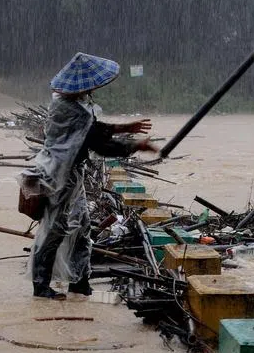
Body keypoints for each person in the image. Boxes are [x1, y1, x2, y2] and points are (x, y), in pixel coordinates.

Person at [20, 52, 156, 300]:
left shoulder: (65, 104)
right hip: (59, 177)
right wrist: (135, 145)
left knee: (81, 227)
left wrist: (125, 128)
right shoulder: (72, 109)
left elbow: (93, 129)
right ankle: (41, 288)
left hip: (71, 175)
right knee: (55, 230)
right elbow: (98, 143)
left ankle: (79, 282)